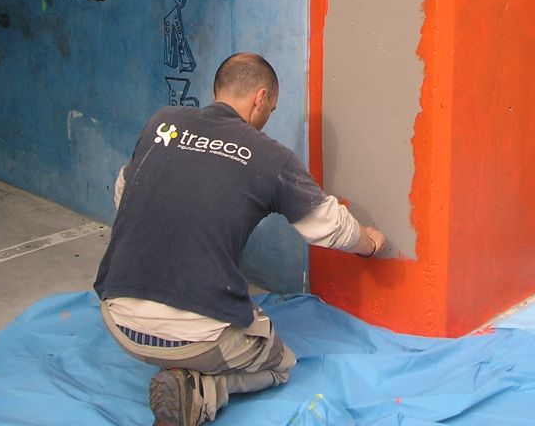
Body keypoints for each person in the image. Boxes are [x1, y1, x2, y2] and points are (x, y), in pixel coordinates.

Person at [94, 52, 385, 426]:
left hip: (118, 319)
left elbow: (124, 192)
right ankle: (200, 392)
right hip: (198, 338)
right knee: (281, 364)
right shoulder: (270, 156)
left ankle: (181, 369)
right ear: (260, 98)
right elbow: (327, 225)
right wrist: (368, 242)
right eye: (272, 109)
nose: (267, 118)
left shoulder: (163, 124)